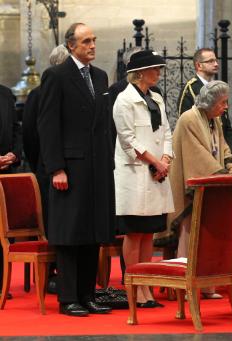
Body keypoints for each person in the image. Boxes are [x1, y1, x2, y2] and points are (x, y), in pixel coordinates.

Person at [38, 23, 115, 317]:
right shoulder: (56, 76)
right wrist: (56, 168)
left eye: (94, 40)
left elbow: (103, 126)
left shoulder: (100, 76)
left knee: (92, 231)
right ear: (71, 46)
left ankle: (88, 294)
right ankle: (68, 297)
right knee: (70, 233)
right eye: (86, 41)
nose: (93, 45)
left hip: (97, 168)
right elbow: (48, 126)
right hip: (69, 168)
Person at [113, 50, 174, 308]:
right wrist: (155, 161)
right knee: (135, 231)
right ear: (139, 73)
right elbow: (128, 140)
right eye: (155, 69)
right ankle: (134, 287)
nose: (158, 73)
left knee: (149, 232)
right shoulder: (123, 100)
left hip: (157, 172)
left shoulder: (157, 98)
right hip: (136, 171)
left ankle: (147, 287)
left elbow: (167, 132)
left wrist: (167, 159)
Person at [171, 80, 232, 299]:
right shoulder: (189, 119)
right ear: (209, 103)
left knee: (210, 237)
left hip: (212, 186)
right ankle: (186, 286)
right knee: (189, 236)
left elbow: (223, 146)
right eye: (222, 102)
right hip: (193, 188)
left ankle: (208, 284)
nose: (226, 107)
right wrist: (221, 173)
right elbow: (196, 154)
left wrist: (231, 165)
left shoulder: (214, 120)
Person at [23, 44, 69, 294]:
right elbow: (30, 134)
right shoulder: (38, 95)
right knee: (51, 221)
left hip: (68, 169)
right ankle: (52, 271)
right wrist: (41, 163)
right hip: (47, 168)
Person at [174, 48, 232, 152]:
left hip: (222, 149)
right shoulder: (190, 89)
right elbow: (186, 125)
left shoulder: (218, 89)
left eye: (216, 60)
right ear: (199, 65)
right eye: (210, 61)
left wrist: (231, 152)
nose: (216, 64)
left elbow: (225, 124)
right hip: (202, 150)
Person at [0, 84, 22, 300]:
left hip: (6, 171)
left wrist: (14, 154)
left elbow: (16, 129)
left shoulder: (5, 93)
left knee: (2, 231)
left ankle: (1, 284)